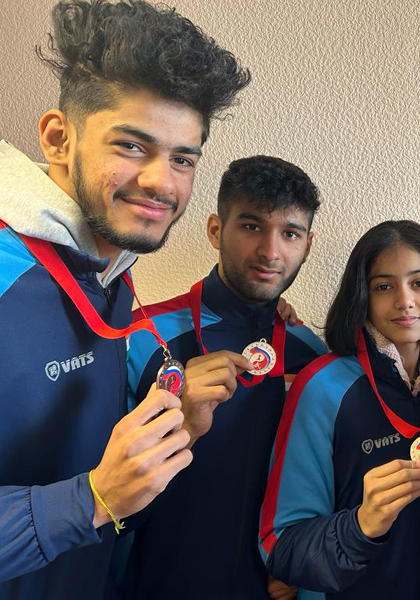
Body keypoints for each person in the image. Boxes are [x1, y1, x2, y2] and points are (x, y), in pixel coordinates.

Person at [0, 1, 249, 598]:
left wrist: (173, 437)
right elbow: (90, 498)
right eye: (133, 146)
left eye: (183, 158)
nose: (162, 181)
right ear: (59, 139)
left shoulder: (109, 269)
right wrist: (94, 497)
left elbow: (94, 495)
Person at [123, 155, 326, 599]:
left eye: (290, 233)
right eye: (252, 226)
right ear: (216, 229)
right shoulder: (143, 338)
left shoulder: (312, 354)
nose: (271, 252)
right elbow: (98, 492)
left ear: (307, 245)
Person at [259, 220, 420, 600]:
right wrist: (361, 525)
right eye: (383, 286)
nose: (405, 300)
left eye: (419, 282)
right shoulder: (323, 386)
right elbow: (281, 545)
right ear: (361, 295)